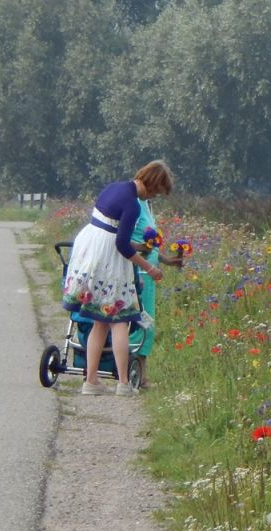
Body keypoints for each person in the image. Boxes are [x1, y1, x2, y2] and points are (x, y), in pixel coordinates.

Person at [62, 160, 174, 396]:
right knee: (119, 320)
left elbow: (110, 229)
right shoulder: (133, 205)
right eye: (155, 191)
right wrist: (149, 268)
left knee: (99, 321)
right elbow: (121, 244)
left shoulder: (113, 188)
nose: (151, 197)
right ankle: (123, 383)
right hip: (107, 262)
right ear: (151, 184)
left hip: (89, 251)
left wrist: (139, 247)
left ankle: (91, 380)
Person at [128, 197, 183, 388]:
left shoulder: (147, 205)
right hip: (138, 273)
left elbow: (151, 246)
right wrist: (143, 249)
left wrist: (168, 260)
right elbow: (123, 241)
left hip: (149, 275)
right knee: (137, 323)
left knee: (147, 324)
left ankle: (142, 375)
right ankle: (131, 372)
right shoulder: (133, 205)